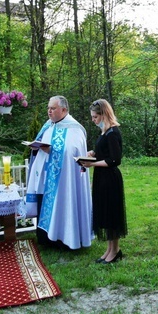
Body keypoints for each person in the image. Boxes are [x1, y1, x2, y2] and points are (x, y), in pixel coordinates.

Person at [25, 95, 93, 250]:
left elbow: (73, 153)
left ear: (64, 109)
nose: (49, 111)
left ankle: (64, 239)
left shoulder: (74, 129)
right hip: (45, 176)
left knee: (63, 204)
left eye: (53, 108)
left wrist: (51, 150)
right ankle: (45, 238)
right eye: (48, 108)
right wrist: (36, 147)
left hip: (64, 181)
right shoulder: (48, 125)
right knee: (45, 203)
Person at [79, 99, 127, 264]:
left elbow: (114, 160)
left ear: (104, 114)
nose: (93, 120)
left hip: (110, 178)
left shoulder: (113, 133)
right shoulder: (105, 132)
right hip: (101, 177)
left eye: (95, 117)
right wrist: (93, 153)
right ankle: (109, 249)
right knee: (105, 214)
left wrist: (91, 164)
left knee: (111, 215)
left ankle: (115, 251)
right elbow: (104, 153)